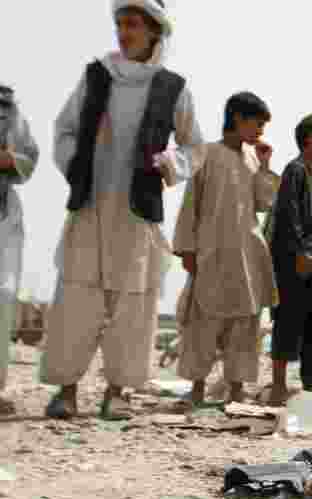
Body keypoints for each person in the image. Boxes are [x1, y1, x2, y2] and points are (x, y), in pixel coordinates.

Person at [41, 0, 203, 420]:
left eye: (132, 24)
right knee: (76, 296)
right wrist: (76, 166)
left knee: (133, 303)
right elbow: (65, 128)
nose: (124, 31)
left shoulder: (173, 86)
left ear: (153, 31)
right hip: (91, 205)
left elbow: (194, 147)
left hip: (137, 211)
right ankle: (66, 390)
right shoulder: (97, 74)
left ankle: (118, 392)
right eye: (120, 23)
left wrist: (171, 165)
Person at [172, 92, 278, 406]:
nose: (260, 131)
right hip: (211, 252)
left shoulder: (252, 158)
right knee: (203, 322)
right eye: (256, 124)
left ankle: (236, 390)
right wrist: (187, 250)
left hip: (248, 255)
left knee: (244, 326)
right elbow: (191, 203)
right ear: (237, 119)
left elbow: (264, 203)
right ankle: (196, 389)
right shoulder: (206, 154)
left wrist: (265, 166)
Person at [266, 114, 312, 405]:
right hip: (297, 258)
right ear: (310, 139)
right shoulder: (294, 171)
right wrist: (299, 252)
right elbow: (289, 214)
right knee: (289, 318)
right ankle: (279, 386)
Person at [0, 84, 40, 415]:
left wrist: (9, 159)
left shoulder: (8, 110)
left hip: (3, 215)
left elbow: (29, 156)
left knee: (2, 297)